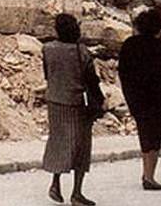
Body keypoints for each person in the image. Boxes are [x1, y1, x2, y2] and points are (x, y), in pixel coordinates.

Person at [42, 13, 98, 206]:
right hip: (76, 104)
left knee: (59, 143)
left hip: (54, 102)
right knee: (81, 147)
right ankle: (76, 193)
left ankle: (55, 184)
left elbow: (47, 75)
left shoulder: (47, 49)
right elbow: (92, 80)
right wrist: (99, 102)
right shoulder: (81, 51)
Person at [118, 7, 161, 191]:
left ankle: (147, 175)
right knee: (154, 139)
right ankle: (149, 177)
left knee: (146, 136)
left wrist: (130, 95)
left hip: (137, 99)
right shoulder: (159, 47)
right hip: (157, 99)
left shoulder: (129, 44)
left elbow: (123, 72)